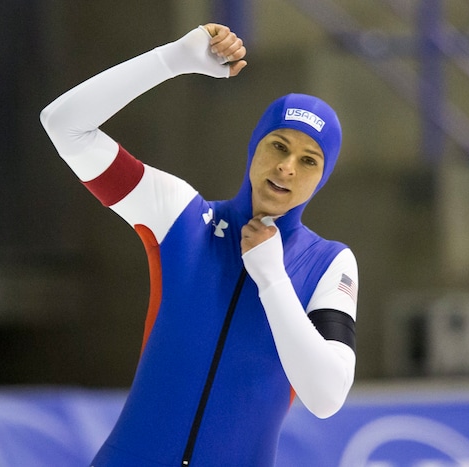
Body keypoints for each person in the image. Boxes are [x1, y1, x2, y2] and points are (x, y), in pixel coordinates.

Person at [40, 23, 357, 466]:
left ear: (321, 178)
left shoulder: (326, 262)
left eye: (308, 160)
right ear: (254, 148)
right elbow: (63, 125)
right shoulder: (182, 217)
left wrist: (272, 279)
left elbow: (326, 396)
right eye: (278, 146)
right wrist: (172, 61)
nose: (286, 167)